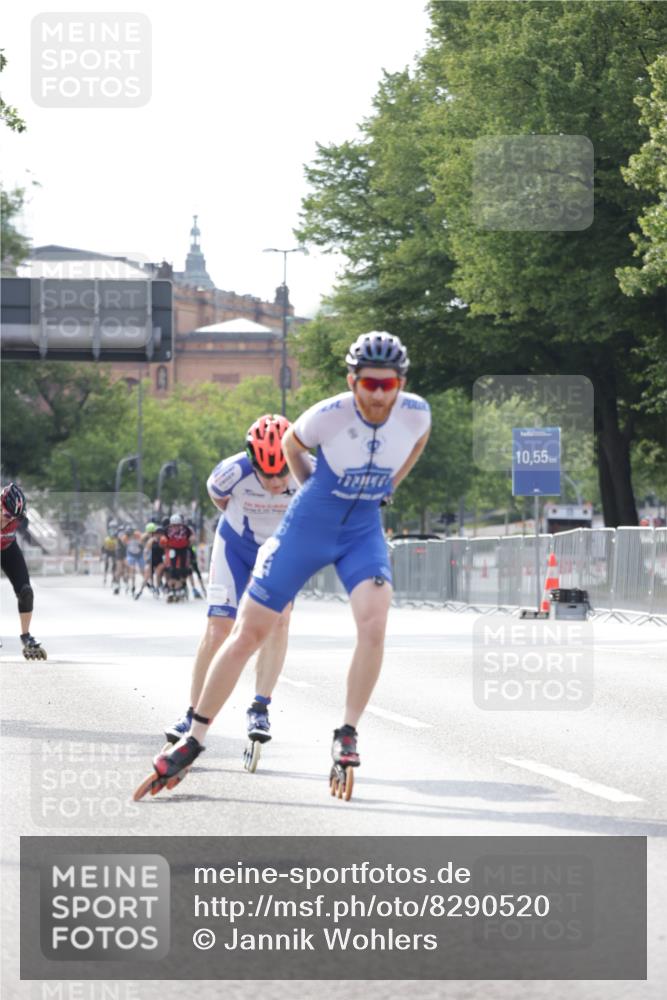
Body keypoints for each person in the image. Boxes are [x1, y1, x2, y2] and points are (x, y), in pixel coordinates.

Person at [137, 332, 430, 799]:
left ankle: (347, 733)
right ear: (352, 381)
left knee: (374, 625)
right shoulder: (329, 414)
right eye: (369, 384)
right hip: (306, 527)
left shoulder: (416, 413)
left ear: (401, 383)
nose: (378, 395)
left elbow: (417, 443)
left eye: (387, 385)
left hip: (361, 531)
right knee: (246, 633)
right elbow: (292, 444)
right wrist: (314, 489)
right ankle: (195, 738)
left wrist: (389, 487)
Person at [162, 415, 299, 765]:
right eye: (266, 474)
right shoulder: (230, 472)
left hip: (279, 551)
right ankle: (193, 713)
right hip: (235, 547)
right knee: (218, 629)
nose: (275, 482)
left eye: (282, 473)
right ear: (253, 462)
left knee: (280, 621)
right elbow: (219, 499)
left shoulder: (309, 472)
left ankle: (260, 707)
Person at [0, 483, 47, 660]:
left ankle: (26, 636)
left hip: (8, 548)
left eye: (14, 518)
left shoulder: (18, 516)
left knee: (26, 591)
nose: (9, 520)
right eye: (6, 515)